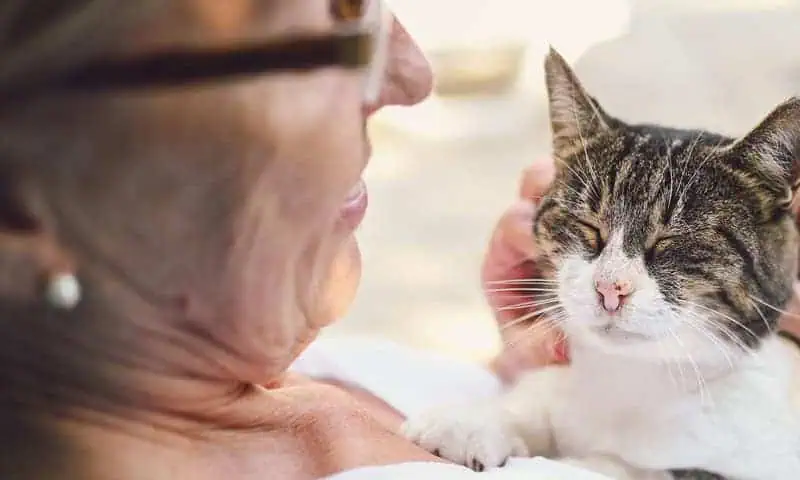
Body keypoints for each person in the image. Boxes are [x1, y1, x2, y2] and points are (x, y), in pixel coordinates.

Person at [0, 1, 798, 479]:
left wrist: (538, 376)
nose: (413, 74)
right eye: (340, 16)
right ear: (31, 201)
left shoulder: (310, 368)